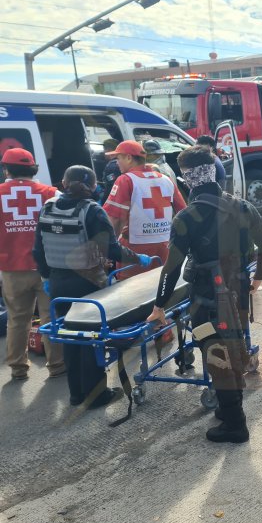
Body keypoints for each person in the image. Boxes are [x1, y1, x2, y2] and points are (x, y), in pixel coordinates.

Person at [147, 146, 262, 443]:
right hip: (239, 291)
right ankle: (230, 411)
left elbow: (172, 269)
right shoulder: (243, 207)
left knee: (218, 356)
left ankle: (235, 424)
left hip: (207, 297)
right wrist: (256, 280)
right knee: (236, 347)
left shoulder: (186, 218)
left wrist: (159, 306)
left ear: (188, 179)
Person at [33, 166, 150, 408]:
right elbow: (111, 249)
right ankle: (97, 395)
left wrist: (46, 278)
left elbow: (38, 249)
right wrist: (139, 258)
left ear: (64, 183)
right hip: (87, 283)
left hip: (57, 284)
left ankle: (76, 394)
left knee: (69, 337)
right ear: (94, 185)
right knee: (92, 337)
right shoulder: (92, 211)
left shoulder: (47, 208)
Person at [0, 148, 65, 381]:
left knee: (17, 319)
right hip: (48, 268)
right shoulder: (51, 193)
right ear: (33, 168)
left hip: (11, 268)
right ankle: (57, 365)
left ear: (6, 169)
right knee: (51, 317)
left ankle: (18, 369)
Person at [103, 140, 186, 279]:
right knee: (162, 287)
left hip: (135, 249)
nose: (116, 163)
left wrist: (109, 251)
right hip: (165, 247)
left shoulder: (125, 180)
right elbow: (183, 212)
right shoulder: (165, 179)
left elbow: (114, 219)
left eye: (118, 158)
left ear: (129, 158)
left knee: (132, 292)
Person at [99, 138, 121, 204]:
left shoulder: (112, 167)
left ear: (108, 150)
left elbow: (111, 188)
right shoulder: (121, 162)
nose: (103, 152)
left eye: (104, 149)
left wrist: (104, 202)